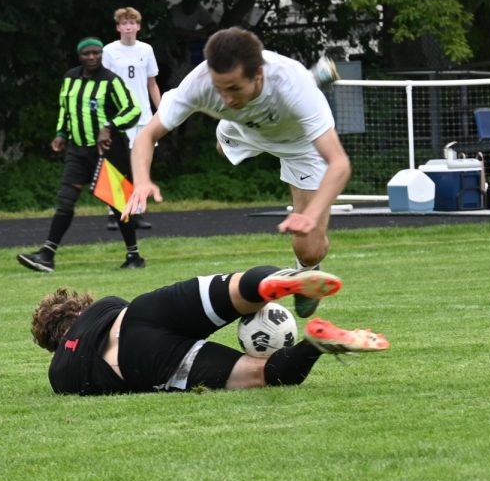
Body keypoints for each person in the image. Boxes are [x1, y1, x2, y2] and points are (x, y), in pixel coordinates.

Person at [125, 27, 351, 318]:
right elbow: (147, 135)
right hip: (244, 127)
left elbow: (340, 164)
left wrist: (310, 215)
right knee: (222, 145)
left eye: (233, 88)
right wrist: (142, 180)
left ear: (258, 74)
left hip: (300, 145)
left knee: (309, 250)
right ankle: (311, 78)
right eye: (220, 88)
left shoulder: (292, 86)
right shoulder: (203, 82)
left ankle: (306, 267)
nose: (226, 98)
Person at [31, 265, 387, 396]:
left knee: (263, 374)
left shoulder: (60, 371)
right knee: (233, 290)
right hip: (140, 311)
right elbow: (126, 315)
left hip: (140, 360)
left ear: (55, 343)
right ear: (78, 306)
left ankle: (314, 342)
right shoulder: (102, 305)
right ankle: (282, 279)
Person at [17, 38, 143, 273]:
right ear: (79, 56)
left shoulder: (110, 81)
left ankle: (134, 255)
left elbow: (133, 110)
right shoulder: (70, 78)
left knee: (118, 203)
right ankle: (47, 254)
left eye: (96, 53)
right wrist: (61, 133)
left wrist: (109, 126)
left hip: (106, 150)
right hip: (77, 150)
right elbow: (65, 108)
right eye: (87, 54)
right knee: (65, 199)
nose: (92, 57)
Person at [103, 7, 162, 231]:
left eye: (132, 22)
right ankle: (114, 211)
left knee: (141, 164)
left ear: (138, 26)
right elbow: (104, 85)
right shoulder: (109, 51)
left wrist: (162, 111)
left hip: (143, 115)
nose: (128, 26)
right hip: (120, 116)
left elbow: (152, 83)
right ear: (118, 27)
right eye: (124, 23)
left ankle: (136, 211)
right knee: (118, 163)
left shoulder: (146, 50)